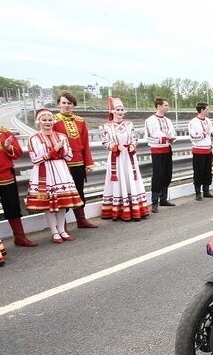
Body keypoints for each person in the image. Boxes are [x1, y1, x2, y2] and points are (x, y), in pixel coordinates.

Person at [26, 109, 84, 243]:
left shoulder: (62, 136)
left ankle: (62, 230)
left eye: (50, 120)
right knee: (49, 204)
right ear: (39, 121)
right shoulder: (34, 138)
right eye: (44, 120)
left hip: (60, 171)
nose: (47, 122)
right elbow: (35, 159)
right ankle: (54, 231)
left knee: (62, 203)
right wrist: (54, 150)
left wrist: (61, 150)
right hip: (44, 172)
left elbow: (69, 156)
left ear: (53, 121)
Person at [101, 97, 150, 220]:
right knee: (118, 180)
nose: (120, 112)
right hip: (116, 157)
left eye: (122, 109)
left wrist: (133, 145)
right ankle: (119, 209)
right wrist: (116, 146)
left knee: (131, 179)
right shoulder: (106, 126)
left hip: (128, 156)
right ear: (112, 111)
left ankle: (135, 208)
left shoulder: (129, 124)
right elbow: (105, 142)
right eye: (118, 109)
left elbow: (134, 137)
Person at [53, 91, 96, 228]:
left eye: (69, 103)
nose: (66, 106)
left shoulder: (80, 121)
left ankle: (81, 220)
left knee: (79, 191)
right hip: (61, 163)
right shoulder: (53, 120)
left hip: (78, 161)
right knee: (62, 193)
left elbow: (85, 144)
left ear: (74, 105)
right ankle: (62, 225)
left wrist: (88, 162)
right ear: (59, 104)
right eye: (64, 103)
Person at [0, 124, 37, 246]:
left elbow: (18, 153)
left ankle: (20, 237)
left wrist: (8, 147)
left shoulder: (4, 131)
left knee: (12, 207)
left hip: (5, 175)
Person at [144, 97, 177, 213]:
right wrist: (164, 137)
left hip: (167, 149)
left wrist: (171, 138)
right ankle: (154, 202)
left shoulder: (168, 121)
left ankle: (164, 198)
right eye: (166, 105)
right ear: (159, 106)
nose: (168, 107)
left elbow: (172, 133)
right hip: (157, 151)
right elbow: (149, 137)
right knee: (158, 175)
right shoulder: (150, 120)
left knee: (167, 174)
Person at [188, 102, 213, 201]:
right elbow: (193, 136)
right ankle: (197, 192)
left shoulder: (208, 120)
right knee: (198, 172)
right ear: (202, 110)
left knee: (207, 171)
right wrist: (204, 133)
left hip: (208, 149)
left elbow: (212, 132)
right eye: (207, 109)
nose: (209, 111)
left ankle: (206, 190)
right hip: (198, 150)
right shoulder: (193, 122)